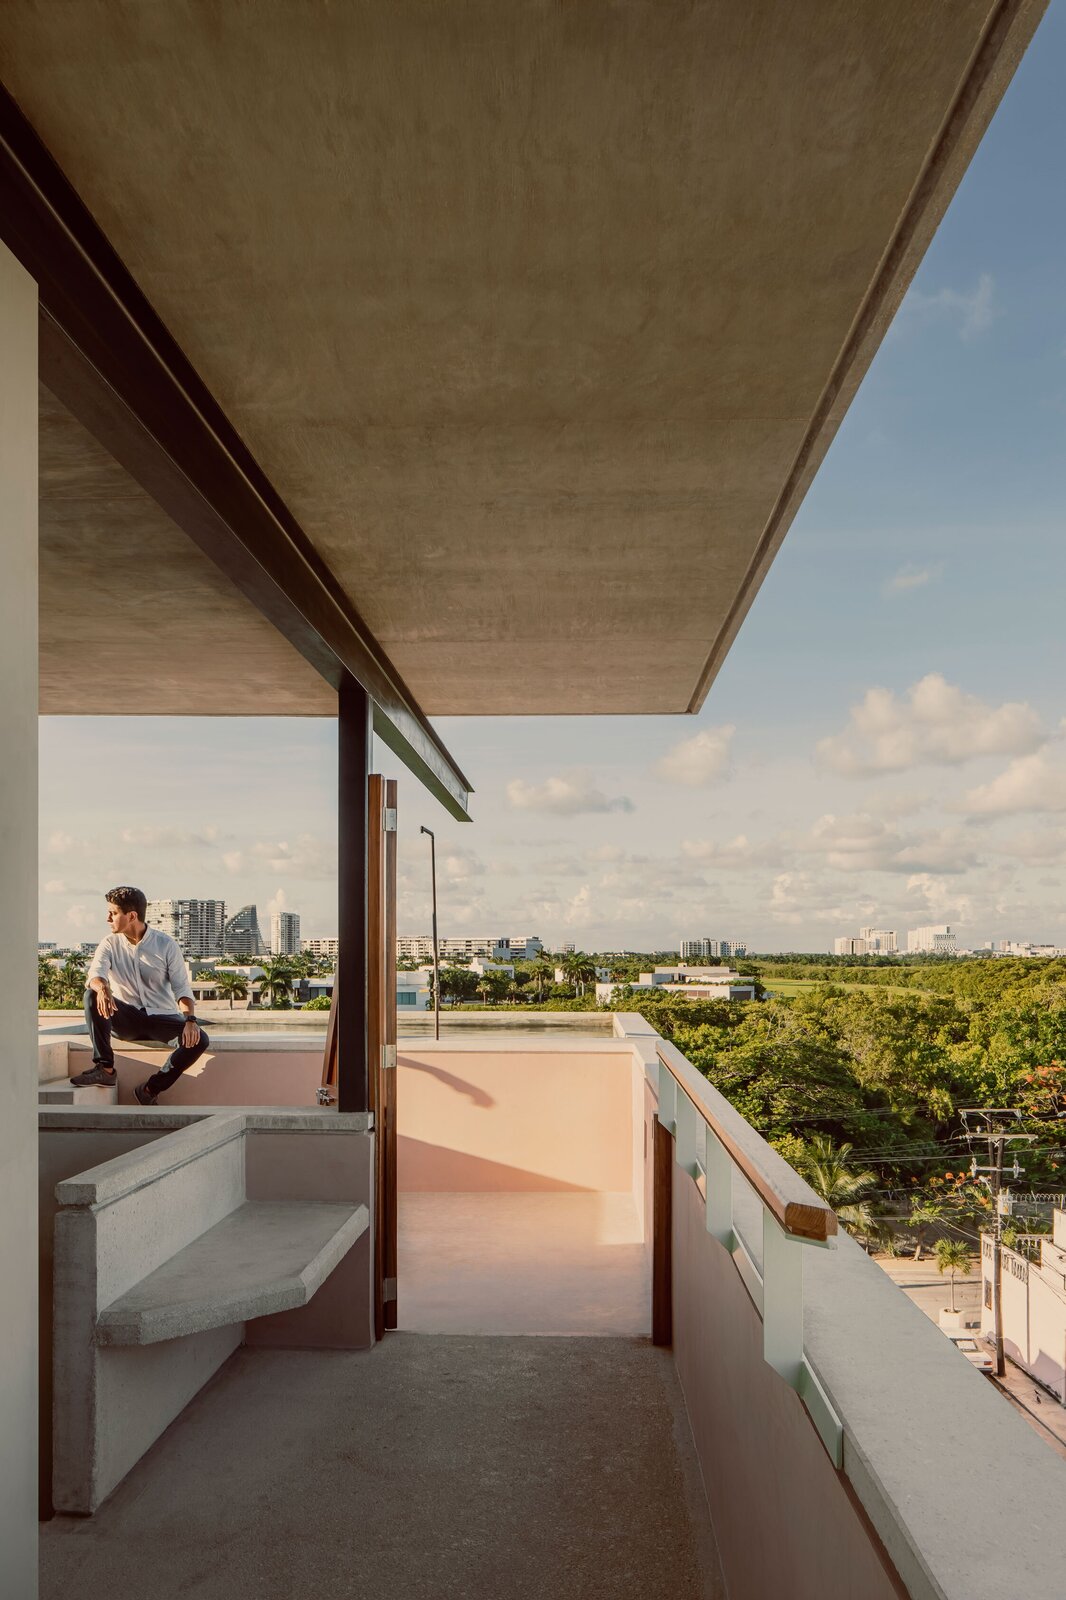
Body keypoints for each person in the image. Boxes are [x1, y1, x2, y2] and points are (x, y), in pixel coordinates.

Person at [71, 885, 210, 1106]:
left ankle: (150, 1089)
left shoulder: (166, 945)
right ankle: (105, 1068)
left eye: (113, 913)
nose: (108, 918)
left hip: (161, 1018)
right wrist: (103, 988)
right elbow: (95, 974)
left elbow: (182, 988)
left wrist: (190, 1020)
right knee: (91, 995)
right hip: (125, 1019)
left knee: (200, 1040)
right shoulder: (109, 944)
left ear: (132, 916)